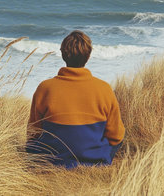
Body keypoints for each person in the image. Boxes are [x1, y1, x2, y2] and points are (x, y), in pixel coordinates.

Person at [26, 30, 125, 168]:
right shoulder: (104, 88)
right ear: (88, 56)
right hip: (94, 158)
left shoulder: (45, 88)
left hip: (53, 159)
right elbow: (116, 136)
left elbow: (33, 134)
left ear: (62, 55)